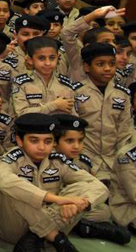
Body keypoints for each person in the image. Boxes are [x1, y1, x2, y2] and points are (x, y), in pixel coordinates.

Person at [0, 113, 108, 251]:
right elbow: (5, 181)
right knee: (15, 190)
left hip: (46, 223)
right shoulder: (12, 159)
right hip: (13, 228)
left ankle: (39, 237)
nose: (42, 147)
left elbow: (99, 187)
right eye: (34, 141)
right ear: (20, 141)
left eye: (48, 141)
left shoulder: (57, 160)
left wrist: (77, 205)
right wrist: (58, 199)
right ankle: (55, 237)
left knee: (84, 189)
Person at [50, 114, 132, 244]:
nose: (76, 146)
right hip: (54, 206)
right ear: (55, 142)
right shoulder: (48, 161)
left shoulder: (84, 162)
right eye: (70, 141)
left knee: (105, 211)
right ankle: (84, 227)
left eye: (80, 141)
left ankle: (79, 226)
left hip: (76, 207)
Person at [72, 42, 134, 179]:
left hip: (114, 162)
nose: (107, 68)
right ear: (87, 67)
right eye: (100, 64)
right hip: (83, 161)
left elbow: (125, 131)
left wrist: (121, 159)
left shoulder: (122, 94)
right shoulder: (75, 92)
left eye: (112, 64)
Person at [11, 37, 76, 116]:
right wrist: (54, 105)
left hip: (60, 127)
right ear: (30, 60)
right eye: (41, 58)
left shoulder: (66, 84)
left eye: (52, 58)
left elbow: (73, 116)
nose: (48, 63)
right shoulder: (21, 84)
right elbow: (21, 114)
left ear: (58, 58)